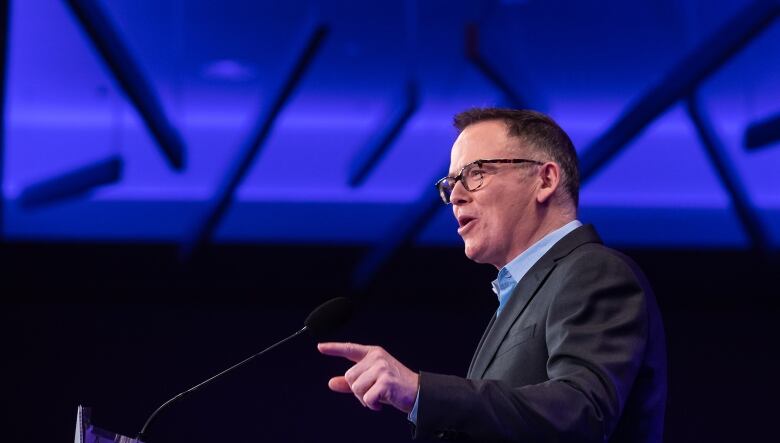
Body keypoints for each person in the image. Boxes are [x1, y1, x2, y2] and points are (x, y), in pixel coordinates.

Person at [319, 108, 667, 442]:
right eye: (451, 183)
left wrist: (420, 391)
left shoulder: (594, 271)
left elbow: (582, 413)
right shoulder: (522, 294)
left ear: (545, 180)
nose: (455, 196)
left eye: (475, 173)